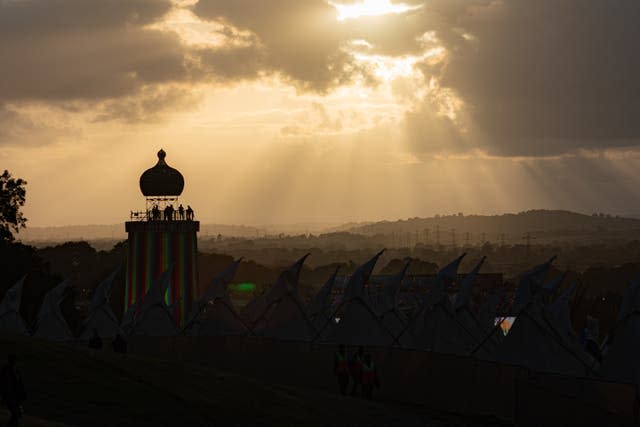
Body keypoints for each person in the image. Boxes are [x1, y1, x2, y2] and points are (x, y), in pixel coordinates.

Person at [0, 354, 26, 427]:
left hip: (15, 397)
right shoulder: (7, 370)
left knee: (16, 415)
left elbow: (19, 384)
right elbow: (5, 385)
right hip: (10, 396)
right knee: (16, 414)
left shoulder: (15, 371)